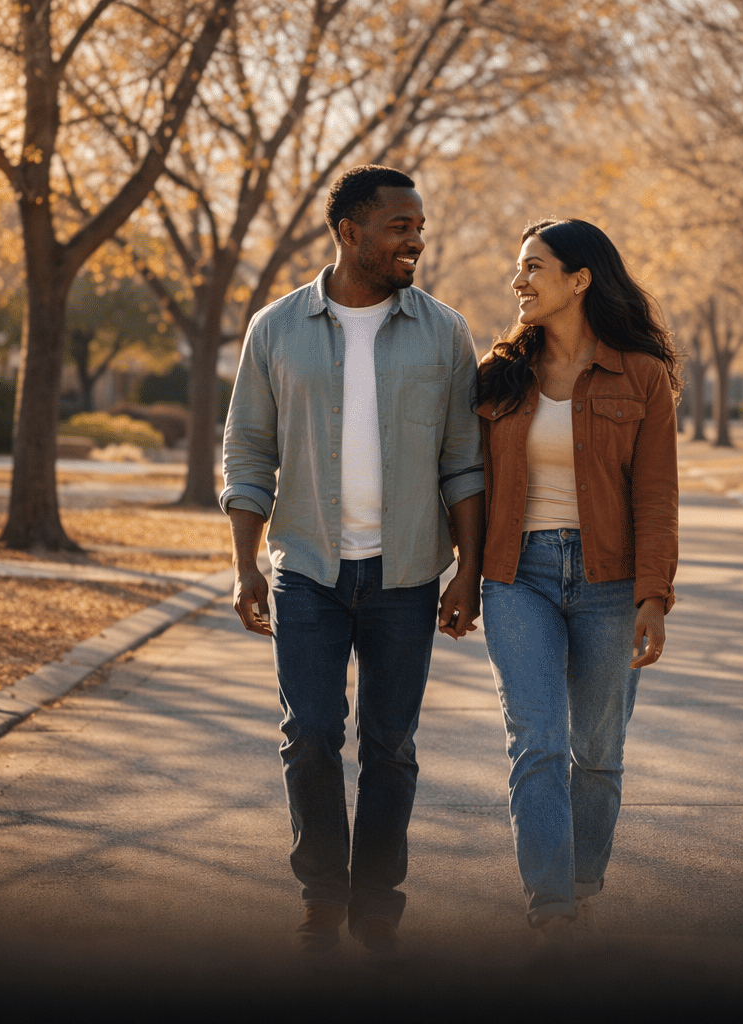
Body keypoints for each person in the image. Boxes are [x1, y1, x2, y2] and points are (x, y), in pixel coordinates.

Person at [220, 164, 484, 955]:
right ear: (349, 231)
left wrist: (468, 572)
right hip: (308, 570)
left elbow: (464, 462)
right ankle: (321, 894)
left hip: (407, 575)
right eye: (400, 226)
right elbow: (248, 452)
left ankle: (375, 901)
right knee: (309, 734)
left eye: (419, 227)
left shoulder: (445, 331)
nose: (416, 241)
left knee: (390, 746)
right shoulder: (275, 328)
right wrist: (244, 564)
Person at [474, 218, 679, 955]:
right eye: (519, 268)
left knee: (596, 750)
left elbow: (656, 492)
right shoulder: (498, 374)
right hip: (517, 577)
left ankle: (583, 883)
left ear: (580, 278)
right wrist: (463, 576)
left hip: (609, 581)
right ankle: (551, 907)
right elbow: (469, 482)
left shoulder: (641, 376)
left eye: (534, 267)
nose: (519, 281)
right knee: (536, 741)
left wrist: (653, 595)